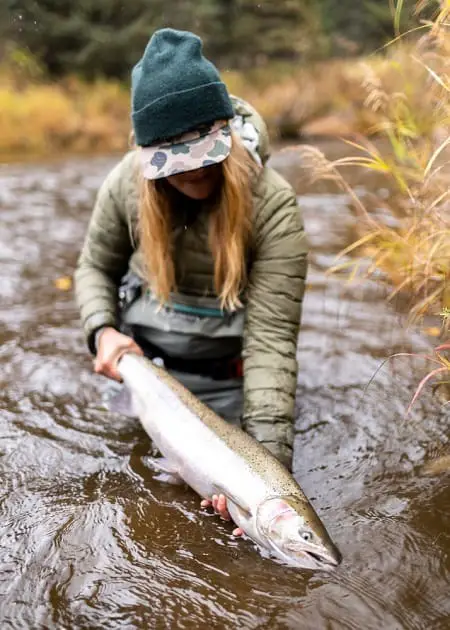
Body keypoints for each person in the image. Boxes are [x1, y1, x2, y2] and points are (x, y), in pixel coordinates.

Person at [74, 28, 308, 536]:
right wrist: (101, 330)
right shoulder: (124, 186)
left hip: (229, 381)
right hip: (143, 371)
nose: (192, 173)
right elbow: (93, 268)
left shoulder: (274, 206)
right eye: (174, 164)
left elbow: (270, 345)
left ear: (224, 128)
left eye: (204, 156)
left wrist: (268, 476)